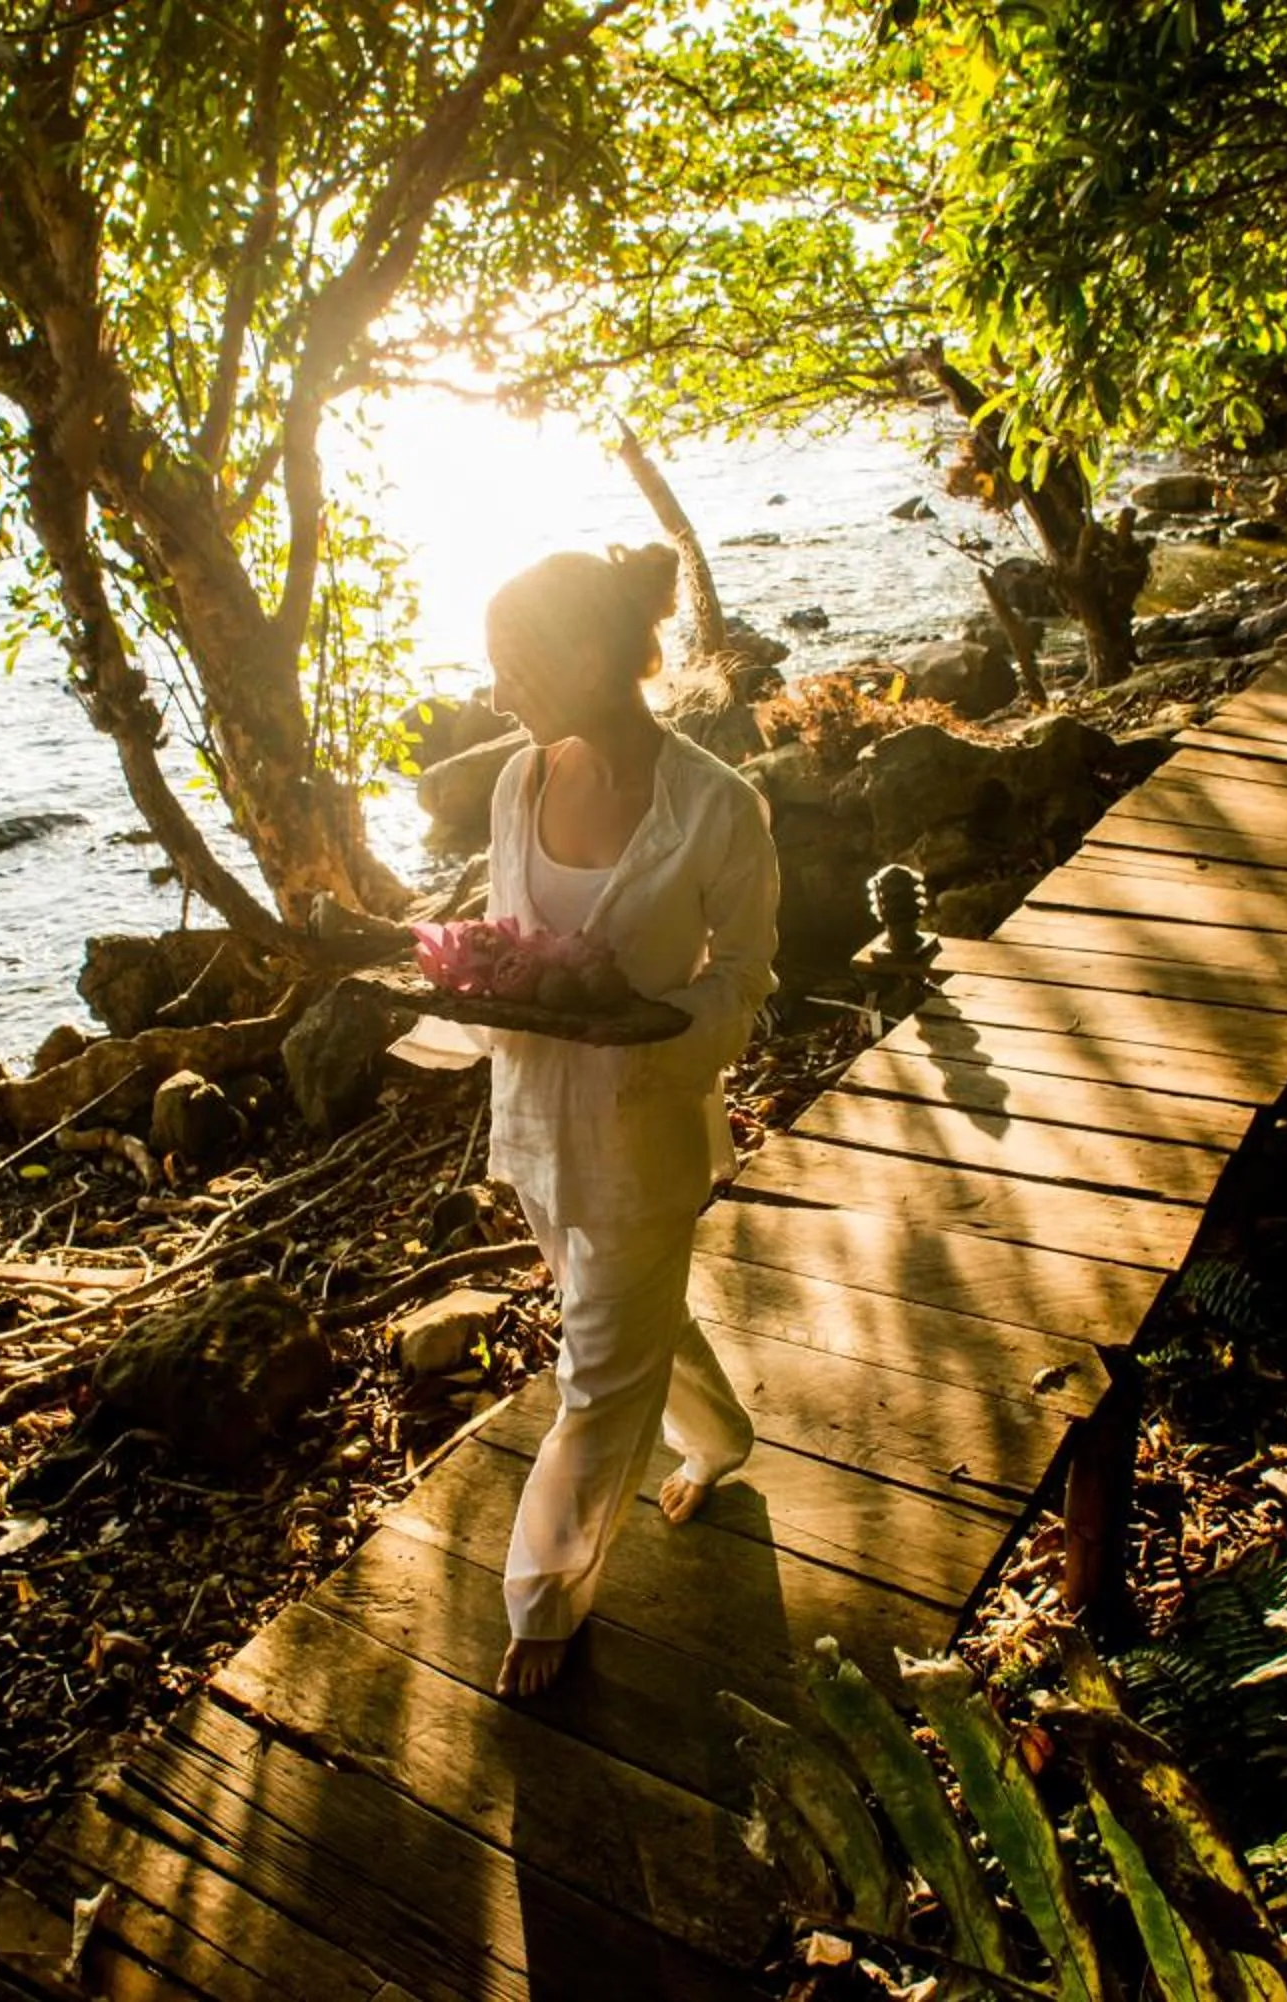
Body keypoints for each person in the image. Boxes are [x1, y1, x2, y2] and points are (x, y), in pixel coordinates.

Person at [478, 542, 781, 1699]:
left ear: (596, 656)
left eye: (515, 667)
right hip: (537, 1120)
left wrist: (651, 1022)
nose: (498, 695)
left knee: (596, 1369)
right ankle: (719, 1439)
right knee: (622, 1318)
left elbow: (747, 977)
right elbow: (515, 938)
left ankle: (544, 1591)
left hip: (648, 1125)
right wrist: (468, 979)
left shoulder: (716, 806)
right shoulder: (516, 782)